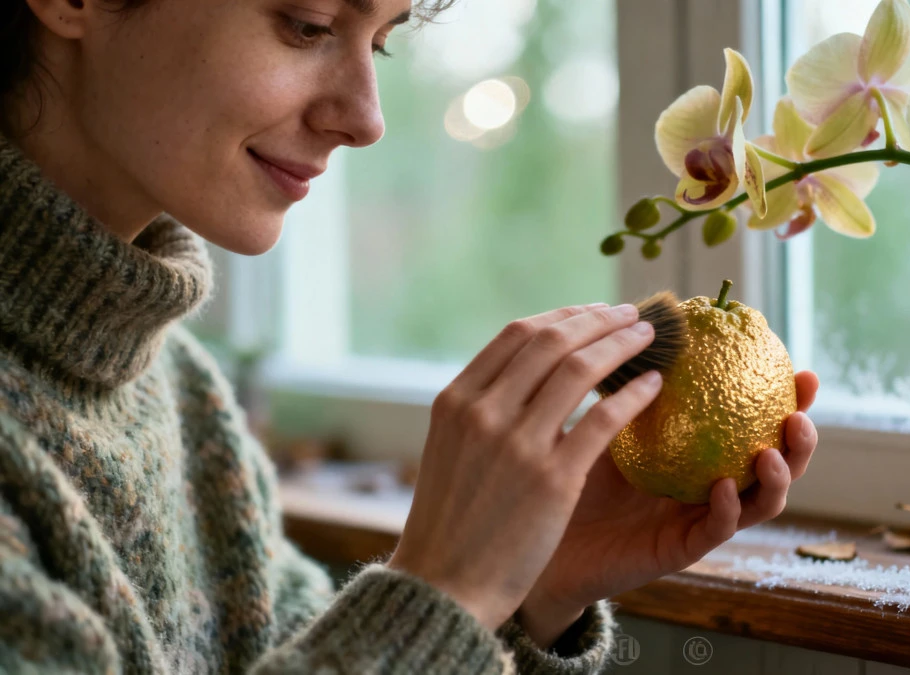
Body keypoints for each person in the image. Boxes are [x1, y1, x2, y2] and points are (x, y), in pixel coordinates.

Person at [0, 0, 822, 672]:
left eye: (382, 44)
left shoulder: (185, 397)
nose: (366, 118)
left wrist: (518, 596)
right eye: (308, 25)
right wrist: (447, 589)